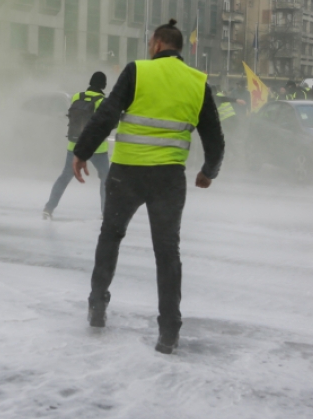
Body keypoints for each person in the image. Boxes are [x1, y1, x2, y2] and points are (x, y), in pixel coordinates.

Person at [72, 18, 224, 354]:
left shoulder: (137, 71)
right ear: (179, 47)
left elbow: (107, 114)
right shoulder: (197, 81)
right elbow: (214, 135)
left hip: (126, 172)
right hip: (168, 178)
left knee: (110, 237)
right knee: (167, 252)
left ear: (156, 44)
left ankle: (97, 306)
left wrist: (82, 151)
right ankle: (168, 331)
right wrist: (208, 171)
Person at [43, 72, 110, 220]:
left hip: (75, 145)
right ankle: (106, 213)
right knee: (106, 178)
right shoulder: (102, 101)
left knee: (65, 176)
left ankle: (49, 208)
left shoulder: (76, 97)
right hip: (97, 148)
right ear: (103, 85)